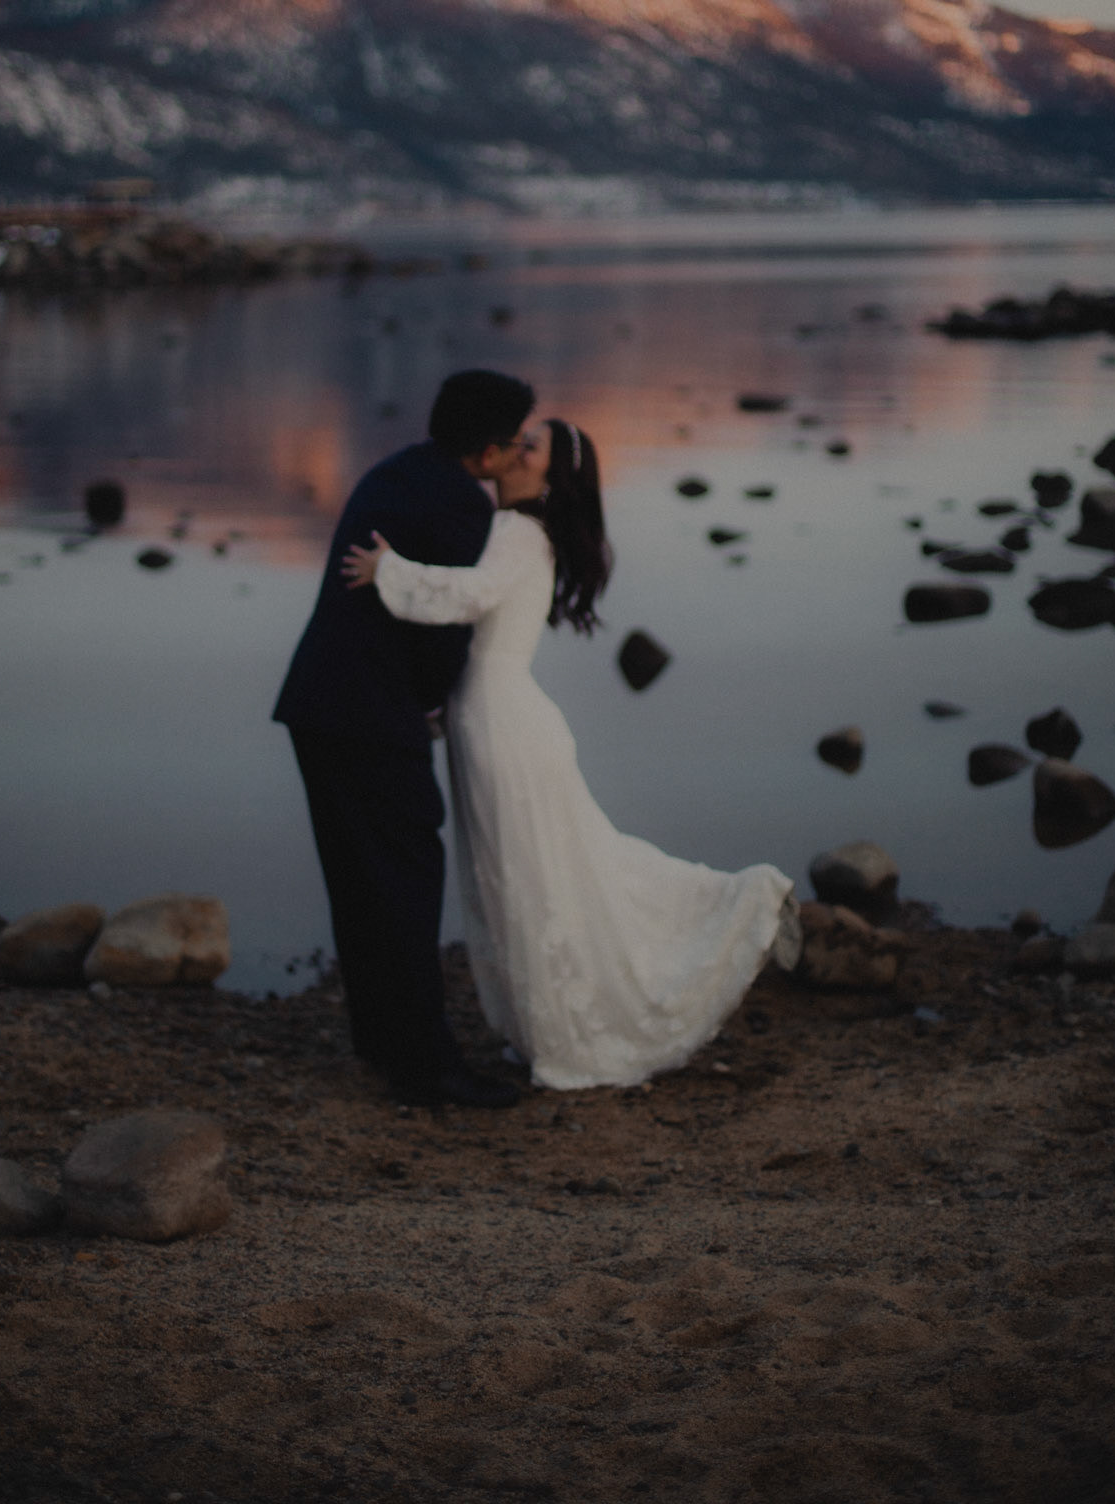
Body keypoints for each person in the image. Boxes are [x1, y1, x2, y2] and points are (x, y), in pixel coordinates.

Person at [342, 419, 798, 1091]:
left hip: (506, 728)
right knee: (521, 874)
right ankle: (542, 1028)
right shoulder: (518, 531)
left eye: (530, 448)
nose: (511, 449)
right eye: (519, 437)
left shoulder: (521, 533)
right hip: (488, 718)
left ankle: (586, 1022)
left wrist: (390, 572)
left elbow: (470, 596)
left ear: (548, 477)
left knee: (536, 877)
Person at [273, 369, 536, 1109]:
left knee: (358, 885)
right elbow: (440, 626)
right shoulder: (458, 502)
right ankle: (428, 1068)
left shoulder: (396, 470)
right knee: (406, 882)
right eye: (515, 444)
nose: (518, 456)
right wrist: (428, 704)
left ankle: (381, 1042)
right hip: (368, 712)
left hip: (318, 704)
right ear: (487, 452)